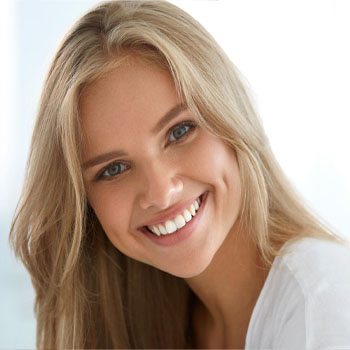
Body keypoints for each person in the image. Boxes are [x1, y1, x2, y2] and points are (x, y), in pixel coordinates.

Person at [10, 1, 350, 349]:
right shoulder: (158, 321)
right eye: (113, 169)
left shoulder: (322, 307)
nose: (161, 192)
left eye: (179, 131)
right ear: (84, 205)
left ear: (231, 116)